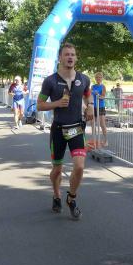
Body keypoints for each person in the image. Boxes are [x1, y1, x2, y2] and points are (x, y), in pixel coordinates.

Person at [36, 43, 94, 218]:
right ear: (60, 58)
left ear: (76, 58)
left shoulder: (84, 79)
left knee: (79, 167)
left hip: (76, 128)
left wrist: (90, 106)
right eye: (67, 54)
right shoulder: (50, 81)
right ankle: (56, 195)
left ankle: (71, 198)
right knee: (57, 170)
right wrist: (56, 103)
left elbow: (87, 94)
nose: (70, 57)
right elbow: (40, 104)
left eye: (73, 54)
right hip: (58, 130)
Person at [91, 72, 107, 146]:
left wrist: (98, 95)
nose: (98, 79)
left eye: (100, 77)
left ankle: (105, 140)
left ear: (102, 78)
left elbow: (103, 96)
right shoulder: (92, 86)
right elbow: (90, 96)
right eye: (97, 77)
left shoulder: (103, 86)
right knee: (93, 123)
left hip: (100, 106)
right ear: (95, 78)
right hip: (93, 106)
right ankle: (94, 141)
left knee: (102, 124)